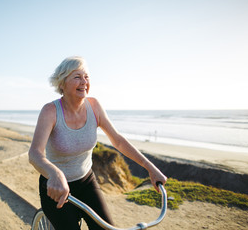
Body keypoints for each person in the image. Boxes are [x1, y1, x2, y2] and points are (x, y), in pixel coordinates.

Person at [28, 56, 167, 230]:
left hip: (86, 182)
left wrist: (150, 168)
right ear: (62, 83)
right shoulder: (50, 111)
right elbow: (35, 153)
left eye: (86, 76)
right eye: (77, 77)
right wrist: (55, 173)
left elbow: (118, 141)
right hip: (55, 188)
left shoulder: (94, 106)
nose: (84, 81)